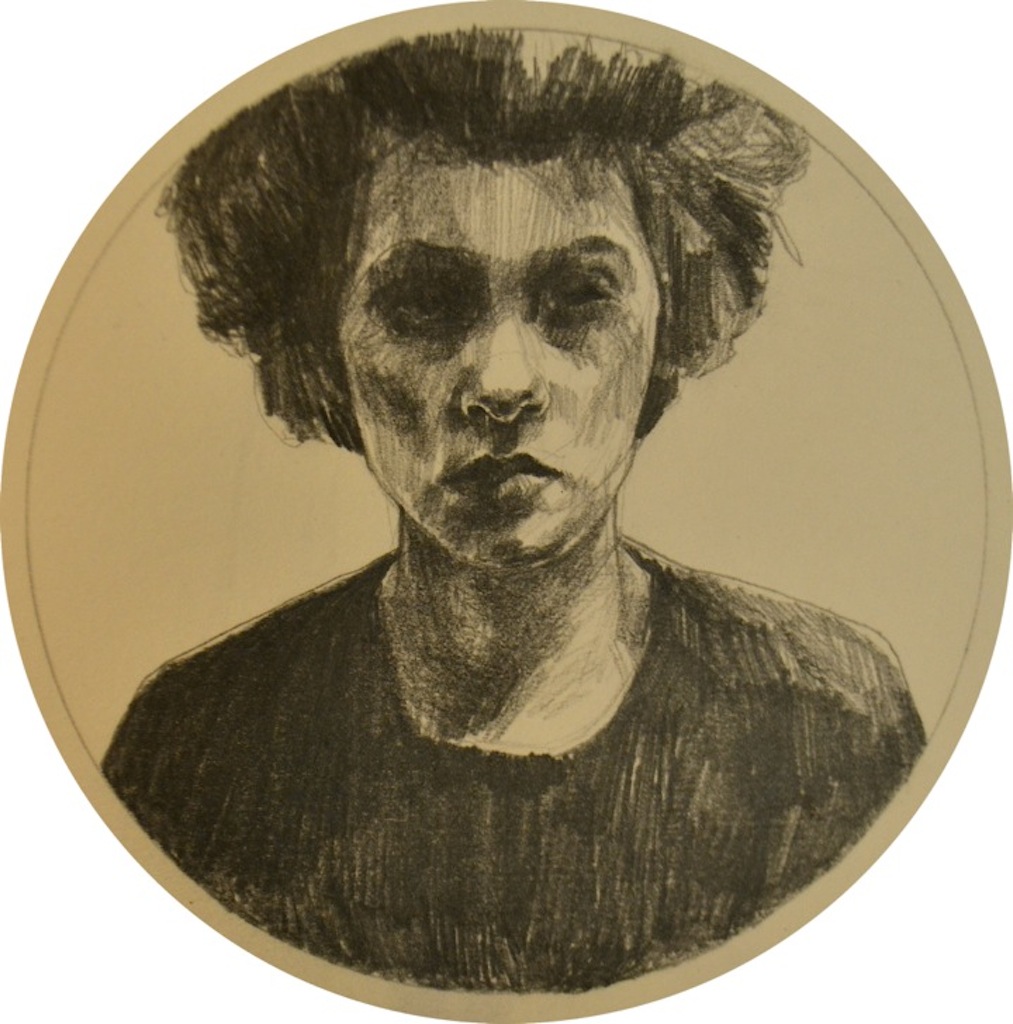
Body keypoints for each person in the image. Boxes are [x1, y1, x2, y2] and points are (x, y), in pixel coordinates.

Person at [103, 29, 925, 993]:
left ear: (672, 316)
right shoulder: (196, 748)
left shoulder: (829, 717)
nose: (501, 382)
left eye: (578, 298)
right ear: (320, 346)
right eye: (423, 303)